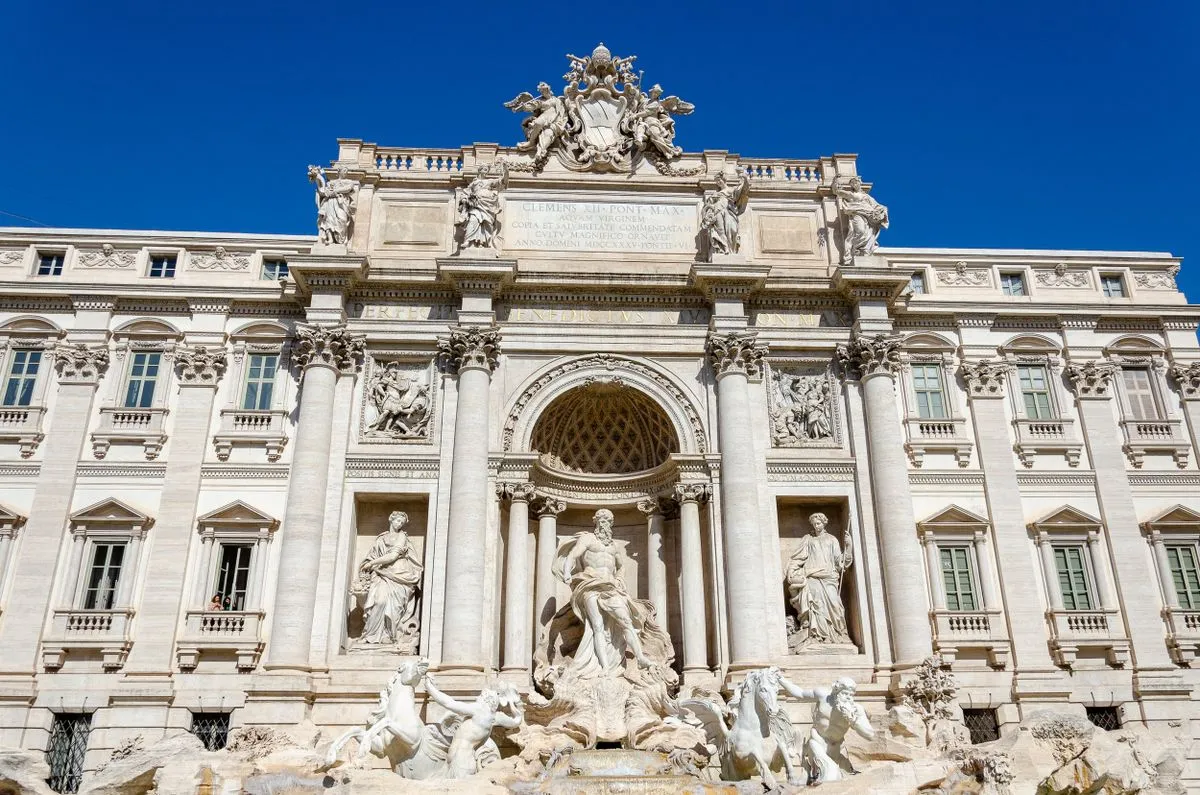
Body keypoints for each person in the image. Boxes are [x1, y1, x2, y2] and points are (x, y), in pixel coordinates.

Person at [552, 509, 667, 674]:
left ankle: (640, 657)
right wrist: (568, 572)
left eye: (607, 520)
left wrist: (619, 579)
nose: (604, 523)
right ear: (596, 522)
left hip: (611, 587)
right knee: (596, 626)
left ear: (611, 524)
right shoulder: (587, 539)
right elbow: (573, 554)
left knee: (626, 621)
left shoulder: (614, 546)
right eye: (601, 520)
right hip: (590, 585)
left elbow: (621, 567)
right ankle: (605, 666)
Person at [423, 675, 523, 779]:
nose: (476, 698)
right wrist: (512, 703)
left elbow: (449, 703)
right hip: (459, 761)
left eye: (480, 696)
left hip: (462, 762)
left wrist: (430, 688)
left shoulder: (479, 709)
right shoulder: (495, 718)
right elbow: (517, 721)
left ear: (486, 700)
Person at [777, 676, 874, 783]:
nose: (848, 697)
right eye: (845, 693)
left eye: (851, 695)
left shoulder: (856, 710)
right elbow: (800, 693)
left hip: (837, 747)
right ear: (836, 691)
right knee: (831, 774)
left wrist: (854, 721)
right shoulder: (823, 696)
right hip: (818, 741)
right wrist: (781, 680)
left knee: (842, 775)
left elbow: (870, 735)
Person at [357, 511, 423, 645]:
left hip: (399, 574)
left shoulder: (402, 537)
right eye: (398, 521)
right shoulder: (381, 538)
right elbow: (372, 555)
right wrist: (368, 563)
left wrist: (372, 564)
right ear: (391, 520)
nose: (399, 524)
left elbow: (392, 556)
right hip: (381, 574)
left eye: (402, 523)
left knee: (393, 606)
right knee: (379, 601)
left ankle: (389, 635)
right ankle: (371, 635)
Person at [786, 512, 852, 645]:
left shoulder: (832, 539)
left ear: (824, 523)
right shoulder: (808, 539)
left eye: (819, 523)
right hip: (812, 577)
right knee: (817, 606)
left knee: (835, 604)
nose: (816, 526)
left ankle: (838, 633)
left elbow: (840, 561)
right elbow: (798, 558)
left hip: (829, 577)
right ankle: (818, 636)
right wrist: (792, 570)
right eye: (814, 524)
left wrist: (849, 546)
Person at [834, 176, 889, 264]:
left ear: (860, 183)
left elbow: (877, 206)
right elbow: (837, 192)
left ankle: (864, 251)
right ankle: (857, 250)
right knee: (860, 231)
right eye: (852, 183)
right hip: (857, 214)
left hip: (869, 217)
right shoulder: (851, 195)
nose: (855, 184)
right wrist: (835, 182)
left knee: (868, 233)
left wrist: (883, 210)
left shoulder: (867, 196)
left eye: (856, 182)